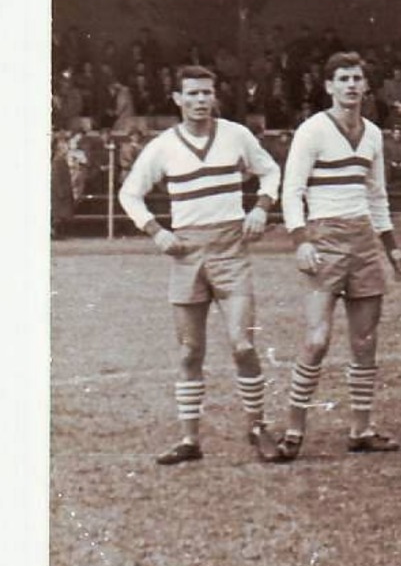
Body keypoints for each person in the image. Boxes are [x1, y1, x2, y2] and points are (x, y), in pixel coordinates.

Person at [116, 66, 284, 465]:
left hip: (230, 249)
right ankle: (190, 441)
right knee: (190, 352)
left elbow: (271, 171)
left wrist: (261, 207)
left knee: (242, 344)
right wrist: (156, 231)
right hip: (186, 253)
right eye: (191, 94)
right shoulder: (163, 146)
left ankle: (258, 427)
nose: (200, 100)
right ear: (177, 99)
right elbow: (130, 193)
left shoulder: (236, 135)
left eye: (206, 92)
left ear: (215, 96)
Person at [277, 52, 401, 461]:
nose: (352, 86)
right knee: (317, 340)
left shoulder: (371, 133)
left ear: (365, 86)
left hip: (363, 239)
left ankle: (361, 428)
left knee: (365, 342)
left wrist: (390, 247)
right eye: (343, 79)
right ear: (329, 86)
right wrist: (301, 239)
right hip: (325, 237)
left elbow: (376, 194)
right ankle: (294, 430)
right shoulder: (312, 130)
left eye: (357, 79)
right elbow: (292, 189)